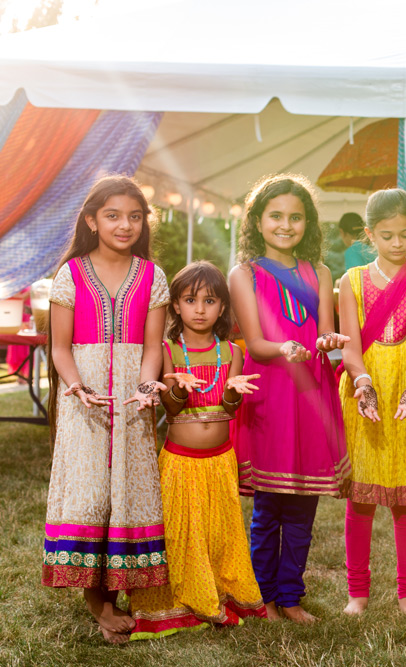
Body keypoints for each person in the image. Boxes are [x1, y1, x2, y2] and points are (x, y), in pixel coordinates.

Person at [43, 175, 169, 644]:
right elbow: (59, 349)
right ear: (92, 220)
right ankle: (98, 601)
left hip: (133, 402)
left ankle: (123, 587)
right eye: (113, 215)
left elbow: (152, 346)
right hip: (86, 401)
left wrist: (146, 385)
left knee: (127, 494)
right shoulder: (71, 274)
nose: (125, 225)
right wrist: (77, 389)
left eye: (135, 216)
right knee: (91, 494)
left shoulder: (152, 275)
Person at [229, 174, 351, 624]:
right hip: (271, 394)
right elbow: (254, 343)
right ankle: (264, 598)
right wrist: (283, 348)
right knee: (269, 507)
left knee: (304, 504)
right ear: (258, 222)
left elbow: (320, 333)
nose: (286, 224)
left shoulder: (319, 272)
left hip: (311, 393)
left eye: (295, 217)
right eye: (276, 216)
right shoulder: (243, 274)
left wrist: (328, 340)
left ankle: (292, 597)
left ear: (308, 223)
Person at [129, 261, 266, 639]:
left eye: (210, 300)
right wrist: (177, 388)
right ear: (175, 305)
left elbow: (228, 408)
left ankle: (219, 590)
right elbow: (171, 409)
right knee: (181, 532)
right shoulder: (168, 350)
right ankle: (185, 597)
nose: (200, 309)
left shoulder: (231, 352)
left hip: (221, 461)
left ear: (223, 307)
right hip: (180, 462)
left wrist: (234, 392)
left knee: (219, 532)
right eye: (191, 300)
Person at [337, 189, 406, 619]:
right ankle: (357, 595)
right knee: (360, 501)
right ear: (369, 235)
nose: (398, 244)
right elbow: (348, 347)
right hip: (365, 395)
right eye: (387, 235)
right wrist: (362, 382)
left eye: (405, 234)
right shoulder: (351, 281)